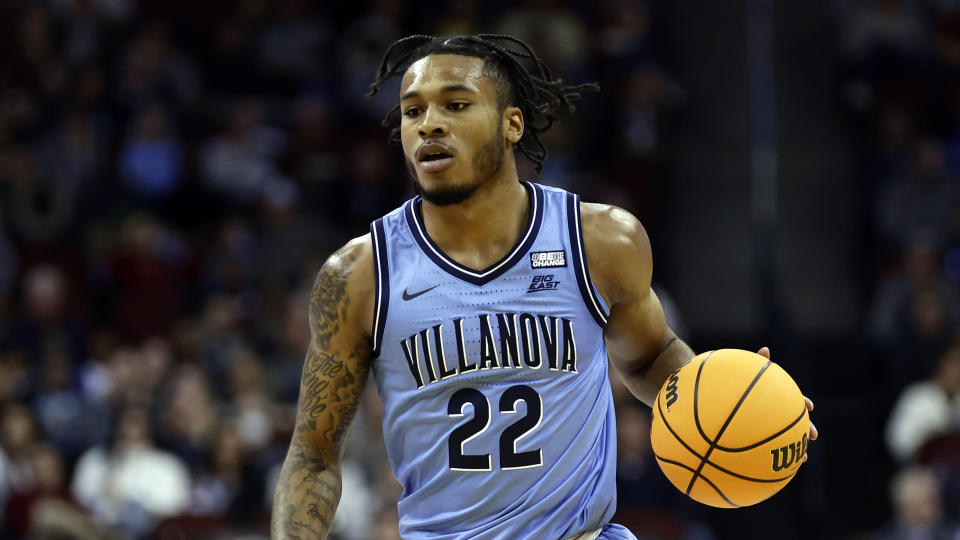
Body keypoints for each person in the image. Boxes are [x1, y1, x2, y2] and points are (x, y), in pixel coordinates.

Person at [271, 34, 817, 540]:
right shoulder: (358, 276)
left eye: (456, 105)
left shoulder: (601, 241)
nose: (429, 124)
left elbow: (650, 359)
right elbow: (315, 455)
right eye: (413, 111)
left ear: (512, 124)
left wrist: (741, 403)